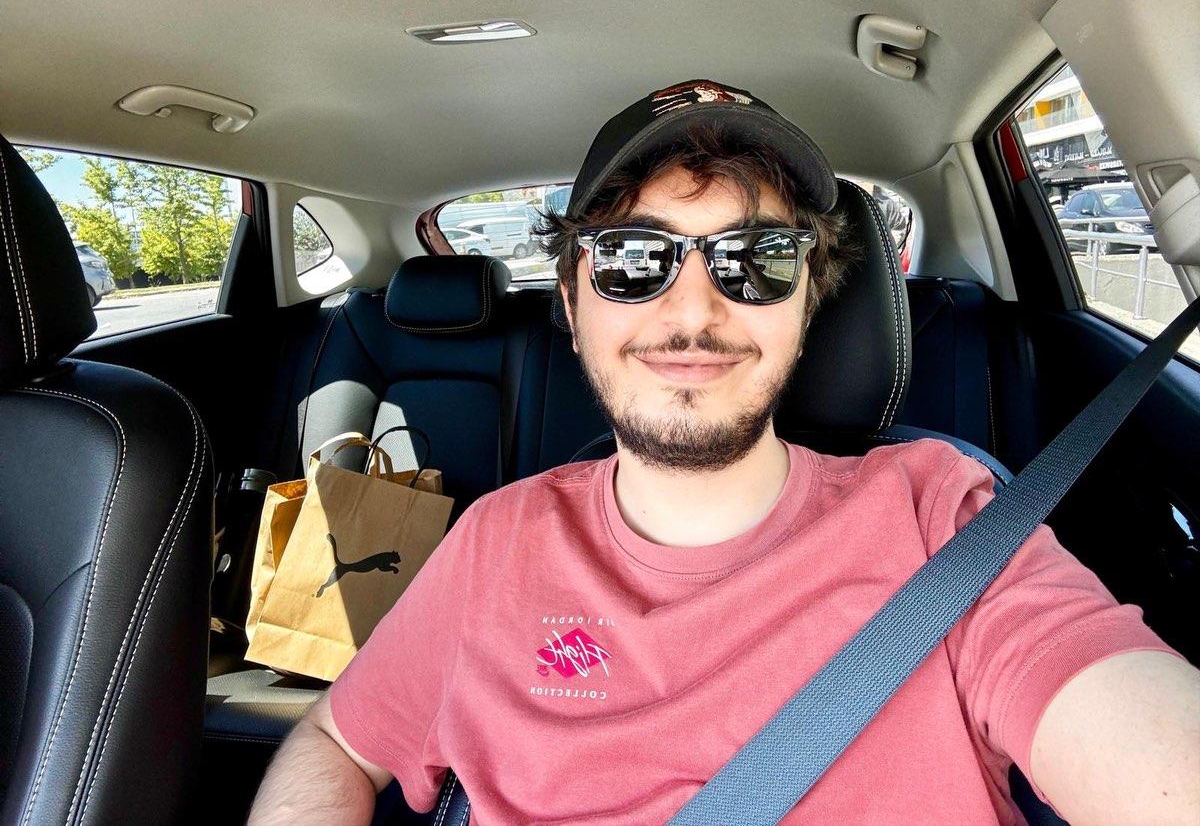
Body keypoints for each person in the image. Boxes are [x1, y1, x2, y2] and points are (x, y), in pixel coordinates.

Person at [249, 80, 1199, 825]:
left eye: (757, 260)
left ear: (808, 301)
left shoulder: (946, 523)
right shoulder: (496, 540)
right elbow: (337, 739)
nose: (695, 312)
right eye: (633, 259)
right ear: (572, 306)